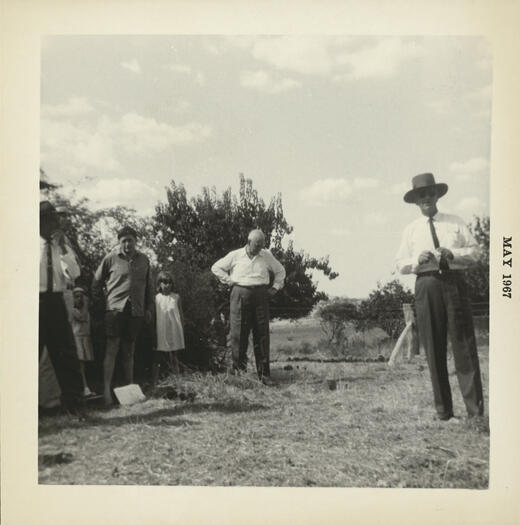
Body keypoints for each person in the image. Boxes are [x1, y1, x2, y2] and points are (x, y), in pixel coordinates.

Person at [395, 173, 484, 422]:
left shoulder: (455, 222)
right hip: (426, 285)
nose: (426, 198)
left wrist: (452, 253)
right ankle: (443, 411)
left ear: (437, 196)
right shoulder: (411, 230)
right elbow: (399, 263)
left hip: (454, 283)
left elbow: (476, 252)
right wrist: (416, 260)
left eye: (430, 193)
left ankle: (475, 413)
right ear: (415, 201)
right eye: (421, 195)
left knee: (464, 345)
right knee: (433, 347)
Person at [211, 229, 286, 385]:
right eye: (256, 245)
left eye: (261, 245)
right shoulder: (235, 255)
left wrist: (275, 288)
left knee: (262, 334)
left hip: (261, 296)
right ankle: (239, 375)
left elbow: (280, 271)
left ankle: (264, 375)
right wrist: (229, 280)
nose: (259, 248)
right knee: (238, 334)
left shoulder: (266, 256)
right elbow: (216, 267)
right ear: (249, 241)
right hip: (239, 294)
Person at [92, 226, 153, 405]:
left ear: (136, 241)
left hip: (136, 311)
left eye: (130, 240)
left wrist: (149, 308)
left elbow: (150, 286)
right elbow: (96, 283)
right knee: (112, 350)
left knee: (129, 351)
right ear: (119, 242)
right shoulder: (111, 259)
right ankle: (106, 392)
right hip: (115, 310)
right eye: (124, 241)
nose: (127, 244)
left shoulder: (144, 260)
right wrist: (102, 305)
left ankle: (129, 392)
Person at [39, 201, 84, 413]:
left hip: (55, 301)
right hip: (34, 302)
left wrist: (64, 247)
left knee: (66, 353)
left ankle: (74, 405)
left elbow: (74, 273)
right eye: (52, 220)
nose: (56, 224)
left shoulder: (60, 246)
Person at [151, 270, 185, 387]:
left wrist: (182, 329)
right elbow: (155, 316)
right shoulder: (156, 298)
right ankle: (155, 382)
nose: (167, 285)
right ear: (159, 284)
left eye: (169, 282)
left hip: (174, 330)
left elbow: (180, 314)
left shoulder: (176, 297)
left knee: (174, 355)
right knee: (158, 356)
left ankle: (177, 380)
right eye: (164, 282)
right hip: (161, 330)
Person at [71, 286, 96, 397]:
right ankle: (84, 388)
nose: (80, 299)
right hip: (78, 338)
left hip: (85, 338)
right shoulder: (73, 310)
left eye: (82, 297)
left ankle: (85, 387)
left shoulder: (85, 310)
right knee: (80, 365)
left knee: (84, 366)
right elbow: (82, 317)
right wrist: (86, 305)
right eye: (77, 297)